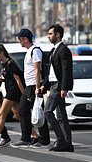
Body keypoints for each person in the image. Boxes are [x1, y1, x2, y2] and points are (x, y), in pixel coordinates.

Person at [10, 29, 50, 148]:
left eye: (20, 39)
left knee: (35, 111)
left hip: (33, 87)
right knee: (27, 111)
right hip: (30, 86)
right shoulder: (29, 51)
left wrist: (38, 88)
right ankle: (30, 138)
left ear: (25, 39)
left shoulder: (35, 51)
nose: (19, 42)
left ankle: (40, 140)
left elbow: (37, 70)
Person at [40, 24, 74, 152]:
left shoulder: (63, 50)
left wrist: (64, 88)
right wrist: (44, 85)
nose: (48, 36)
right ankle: (67, 143)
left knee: (48, 112)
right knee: (61, 115)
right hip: (54, 84)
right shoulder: (54, 50)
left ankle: (61, 140)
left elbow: (66, 70)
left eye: (50, 34)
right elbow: (50, 71)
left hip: (58, 86)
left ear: (58, 35)